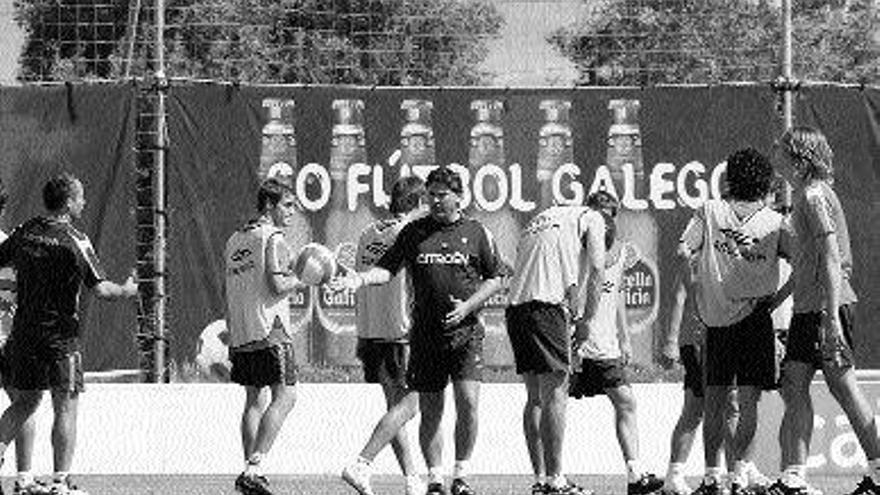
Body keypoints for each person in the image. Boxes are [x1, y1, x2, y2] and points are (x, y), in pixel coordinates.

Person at [332, 167, 508, 495]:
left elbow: (496, 277)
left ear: (459, 197)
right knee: (431, 409)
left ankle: (461, 475)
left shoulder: (477, 231)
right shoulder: (414, 232)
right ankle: (435, 479)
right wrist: (359, 278)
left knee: (468, 402)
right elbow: (386, 269)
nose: (436, 200)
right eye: (432, 194)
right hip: (425, 335)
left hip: (467, 334)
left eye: (443, 195)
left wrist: (468, 306)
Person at [0, 172, 139, 495]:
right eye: (80, 196)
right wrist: (128, 290)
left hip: (23, 335)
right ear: (67, 203)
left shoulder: (24, 231)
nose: (85, 201)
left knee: (25, 402)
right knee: (66, 405)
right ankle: (61, 482)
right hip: (60, 339)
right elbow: (102, 290)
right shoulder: (74, 239)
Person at [768, 126, 880, 495]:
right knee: (794, 383)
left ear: (799, 159)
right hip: (808, 309)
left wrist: (831, 318)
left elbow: (832, 259)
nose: (776, 153)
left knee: (844, 389)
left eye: (783, 149)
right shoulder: (805, 194)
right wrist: (778, 299)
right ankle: (795, 478)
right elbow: (807, 262)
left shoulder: (815, 195)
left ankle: (879, 471)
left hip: (826, 309)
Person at [679, 148, 793, 495]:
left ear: (730, 179)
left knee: (713, 400)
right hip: (757, 318)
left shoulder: (711, 211)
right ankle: (740, 474)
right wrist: (777, 298)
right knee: (748, 402)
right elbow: (803, 267)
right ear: (765, 183)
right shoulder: (776, 223)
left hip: (715, 320)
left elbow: (683, 250)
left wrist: (697, 293)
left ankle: (713, 476)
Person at [504, 190, 615, 495]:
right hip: (545, 307)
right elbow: (596, 270)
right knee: (556, 393)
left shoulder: (545, 217)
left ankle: (541, 479)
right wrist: (587, 321)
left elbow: (557, 269)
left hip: (516, 308)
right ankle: (556, 481)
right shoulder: (593, 218)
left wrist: (573, 311)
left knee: (535, 397)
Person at [341, 176, 428, 495]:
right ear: (418, 204)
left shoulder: (367, 232)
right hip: (399, 332)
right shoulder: (408, 233)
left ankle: (411, 479)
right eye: (426, 204)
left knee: (396, 409)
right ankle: (361, 463)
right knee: (411, 406)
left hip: (370, 332)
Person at [568, 209, 663, 495]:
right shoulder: (573, 255)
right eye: (601, 217)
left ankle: (635, 475)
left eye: (610, 217)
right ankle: (550, 478)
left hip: (604, 348)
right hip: (575, 346)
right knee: (550, 403)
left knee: (626, 401)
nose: (606, 224)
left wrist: (624, 339)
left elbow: (616, 297)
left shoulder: (620, 253)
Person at [225, 178, 305, 495]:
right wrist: (304, 278)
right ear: (269, 206)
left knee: (254, 400)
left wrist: (233, 331)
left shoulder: (235, 238)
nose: (293, 211)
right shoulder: (272, 237)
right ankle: (255, 467)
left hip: (243, 330)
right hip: (270, 329)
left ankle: (250, 472)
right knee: (286, 396)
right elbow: (278, 286)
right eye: (287, 205)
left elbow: (227, 288)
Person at [659, 259, 764, 495]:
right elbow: (678, 295)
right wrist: (671, 341)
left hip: (711, 339)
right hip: (701, 341)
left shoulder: (722, 253)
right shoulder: (697, 256)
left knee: (697, 409)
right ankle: (737, 472)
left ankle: (680, 476)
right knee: (726, 407)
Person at [0, 180, 51, 495]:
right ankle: (24, 478)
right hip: (6, 337)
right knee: (25, 401)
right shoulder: (10, 245)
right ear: (3, 208)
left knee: (23, 403)